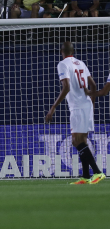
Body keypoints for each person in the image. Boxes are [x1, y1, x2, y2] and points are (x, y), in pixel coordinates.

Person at [45, 42, 105, 185]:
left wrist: (53, 107)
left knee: (76, 141)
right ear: (73, 51)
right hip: (86, 104)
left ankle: (97, 172)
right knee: (82, 141)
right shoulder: (81, 63)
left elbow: (66, 87)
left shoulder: (63, 64)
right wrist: (92, 103)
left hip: (77, 107)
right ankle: (85, 176)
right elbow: (93, 85)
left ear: (61, 51)